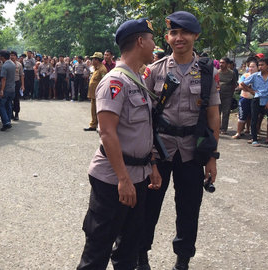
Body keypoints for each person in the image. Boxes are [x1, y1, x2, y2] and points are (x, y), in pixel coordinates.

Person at [138, 11, 221, 270]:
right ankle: (142, 257)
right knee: (148, 208)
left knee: (188, 210)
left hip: (191, 152)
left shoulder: (207, 72)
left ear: (195, 35)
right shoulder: (154, 70)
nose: (179, 37)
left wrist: (212, 158)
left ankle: (182, 261)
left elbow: (212, 116)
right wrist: (148, 156)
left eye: (184, 32)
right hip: (159, 149)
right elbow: (143, 115)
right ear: (167, 37)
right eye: (174, 33)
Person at [77, 18, 160, 270]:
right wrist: (123, 178)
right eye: (152, 40)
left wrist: (152, 164)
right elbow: (107, 134)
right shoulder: (115, 82)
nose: (155, 45)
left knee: (129, 249)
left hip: (139, 175)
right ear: (140, 41)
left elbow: (144, 129)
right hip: (113, 180)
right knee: (98, 248)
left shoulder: (137, 79)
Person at [240, 58, 268, 146]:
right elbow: (243, 84)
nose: (260, 67)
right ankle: (254, 139)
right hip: (257, 99)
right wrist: (251, 91)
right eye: (259, 65)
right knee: (254, 119)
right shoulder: (255, 76)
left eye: (262, 65)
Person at [232, 59, 258, 139]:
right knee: (242, 116)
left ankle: (252, 133)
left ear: (257, 67)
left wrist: (245, 87)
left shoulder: (259, 76)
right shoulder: (245, 75)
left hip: (255, 99)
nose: (251, 68)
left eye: (253, 67)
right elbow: (240, 86)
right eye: (250, 66)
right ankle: (238, 132)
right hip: (244, 98)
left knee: (253, 117)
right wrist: (250, 89)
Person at [84, 52, 107, 132]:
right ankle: (93, 125)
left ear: (97, 60)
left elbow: (104, 82)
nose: (92, 61)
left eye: (93, 59)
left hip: (98, 94)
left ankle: (99, 125)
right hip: (93, 94)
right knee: (93, 110)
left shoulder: (102, 69)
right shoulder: (96, 69)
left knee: (98, 110)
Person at [0, 50, 16, 131]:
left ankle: (6, 122)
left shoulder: (4, 66)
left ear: (3, 57)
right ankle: (8, 120)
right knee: (8, 105)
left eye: (0, 56)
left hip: (6, 89)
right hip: (12, 88)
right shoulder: (13, 64)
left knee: (0, 105)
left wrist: (1, 90)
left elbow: (3, 79)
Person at [218, 57, 238, 134]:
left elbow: (234, 84)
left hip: (228, 96)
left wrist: (231, 93)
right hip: (218, 96)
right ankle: (217, 127)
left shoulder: (232, 73)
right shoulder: (217, 72)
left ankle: (224, 129)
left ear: (227, 64)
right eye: (220, 62)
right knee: (217, 112)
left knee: (226, 113)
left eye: (223, 63)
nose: (221, 64)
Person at [10, 51, 24, 120]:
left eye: (13, 55)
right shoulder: (7, 64)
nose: (12, 57)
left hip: (16, 82)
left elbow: (21, 75)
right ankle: (10, 113)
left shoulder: (19, 65)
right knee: (9, 99)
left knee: (16, 99)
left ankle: (16, 114)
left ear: (16, 56)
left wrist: (22, 85)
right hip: (9, 83)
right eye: (11, 55)